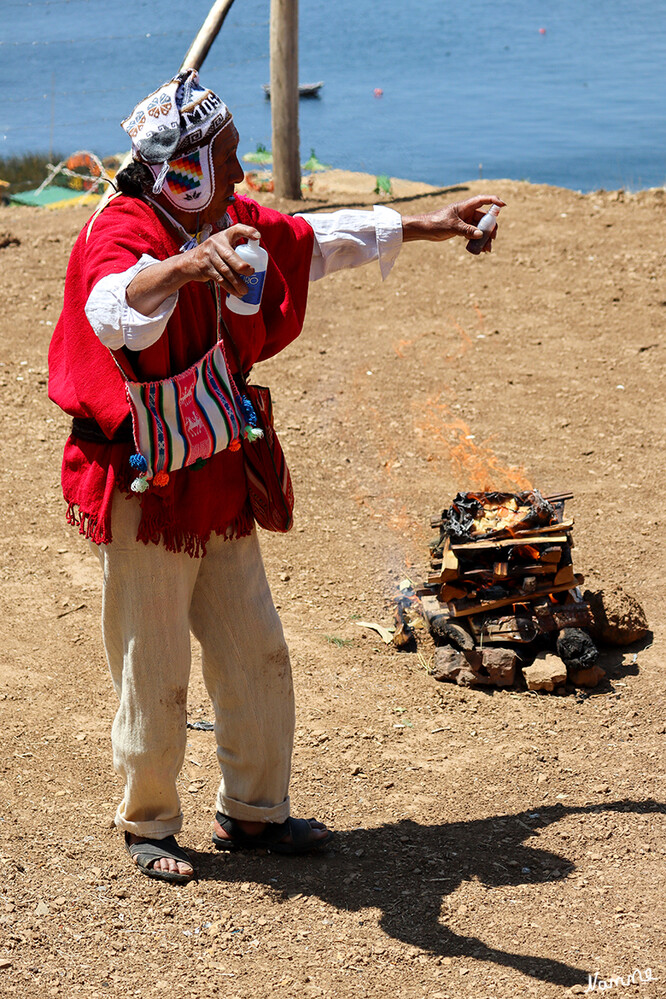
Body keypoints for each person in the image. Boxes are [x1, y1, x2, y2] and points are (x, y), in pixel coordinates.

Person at [48, 69, 504, 884]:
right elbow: (112, 305)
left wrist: (435, 223)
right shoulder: (120, 229)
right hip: (145, 487)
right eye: (225, 158)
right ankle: (148, 821)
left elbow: (314, 239)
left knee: (256, 648)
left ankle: (253, 810)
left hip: (219, 468)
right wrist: (189, 267)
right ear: (182, 167)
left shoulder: (222, 221)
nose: (239, 176)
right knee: (152, 663)